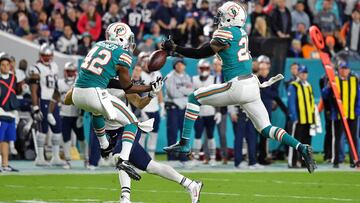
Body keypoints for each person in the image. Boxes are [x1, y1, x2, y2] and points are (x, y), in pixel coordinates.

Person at [162, 1, 316, 173]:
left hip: (237, 86)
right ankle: (301, 147)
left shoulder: (225, 33)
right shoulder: (241, 32)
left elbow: (200, 53)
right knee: (266, 128)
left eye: (222, 15)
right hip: (252, 85)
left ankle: (184, 143)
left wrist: (175, 48)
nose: (219, 18)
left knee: (194, 97)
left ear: (230, 17)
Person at [70, 22, 162, 180]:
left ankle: (105, 146)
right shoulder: (122, 57)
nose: (129, 43)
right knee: (133, 122)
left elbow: (137, 101)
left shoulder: (98, 45)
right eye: (128, 39)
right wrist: (149, 88)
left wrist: (151, 94)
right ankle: (123, 160)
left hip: (78, 92)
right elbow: (127, 86)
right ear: (121, 38)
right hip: (96, 95)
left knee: (96, 113)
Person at [94, 84, 202, 203]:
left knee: (119, 157)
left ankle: (125, 198)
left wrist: (151, 95)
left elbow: (139, 103)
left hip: (128, 129)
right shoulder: (92, 86)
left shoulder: (120, 84)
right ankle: (191, 184)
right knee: (151, 167)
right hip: (112, 134)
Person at [28, 44, 64, 167]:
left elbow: (56, 87)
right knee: (42, 129)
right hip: (42, 100)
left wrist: (57, 100)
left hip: (53, 101)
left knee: (57, 129)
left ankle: (55, 157)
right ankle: (40, 157)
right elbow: (33, 90)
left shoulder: (54, 66)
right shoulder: (35, 68)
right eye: (44, 56)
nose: (47, 58)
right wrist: (35, 107)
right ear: (40, 55)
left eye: (49, 56)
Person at [321, 61, 359, 168]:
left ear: (349, 70)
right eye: (342, 68)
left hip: (352, 114)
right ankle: (336, 161)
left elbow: (358, 96)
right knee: (337, 138)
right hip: (338, 115)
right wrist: (328, 87)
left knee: (353, 138)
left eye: (346, 68)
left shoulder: (354, 80)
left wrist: (357, 111)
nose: (344, 70)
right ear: (339, 69)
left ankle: (354, 160)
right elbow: (324, 95)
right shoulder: (333, 80)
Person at [51, 62, 88, 169]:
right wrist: (49, 112)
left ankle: (86, 159)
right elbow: (55, 97)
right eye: (68, 71)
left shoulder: (79, 82)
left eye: (72, 71)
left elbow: (84, 100)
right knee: (66, 138)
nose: (70, 74)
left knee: (81, 138)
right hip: (64, 114)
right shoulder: (59, 83)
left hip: (76, 115)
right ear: (65, 72)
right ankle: (67, 160)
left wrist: (82, 115)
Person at [191, 59, 220, 166]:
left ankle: (212, 158)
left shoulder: (214, 79)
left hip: (211, 112)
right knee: (198, 136)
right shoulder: (194, 80)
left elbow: (218, 97)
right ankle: (196, 157)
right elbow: (192, 98)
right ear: (198, 69)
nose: (204, 70)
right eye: (202, 68)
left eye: (206, 68)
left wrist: (218, 111)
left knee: (211, 135)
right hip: (198, 113)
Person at [164, 58, 193, 161]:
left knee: (184, 135)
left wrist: (180, 90)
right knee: (172, 133)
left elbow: (191, 91)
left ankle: (183, 158)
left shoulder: (187, 76)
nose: (180, 66)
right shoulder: (169, 76)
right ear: (174, 65)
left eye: (182, 64)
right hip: (173, 107)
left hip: (184, 108)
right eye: (178, 64)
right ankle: (171, 158)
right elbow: (173, 93)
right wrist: (185, 91)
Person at [137, 52, 165, 160]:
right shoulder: (138, 74)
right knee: (142, 135)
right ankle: (140, 158)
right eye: (143, 60)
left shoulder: (157, 73)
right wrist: (140, 109)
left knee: (154, 133)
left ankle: (151, 157)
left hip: (154, 108)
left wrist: (162, 105)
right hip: (144, 107)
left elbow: (159, 91)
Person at [287, 65, 315, 168]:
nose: (303, 75)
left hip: (308, 119)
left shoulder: (308, 86)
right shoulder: (293, 85)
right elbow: (291, 103)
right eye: (302, 72)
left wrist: (313, 117)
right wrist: (294, 117)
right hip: (298, 119)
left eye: (305, 73)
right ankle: (292, 162)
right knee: (295, 141)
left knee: (307, 142)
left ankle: (305, 162)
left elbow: (311, 102)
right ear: (298, 73)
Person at [0, 53, 19, 172]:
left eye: (7, 64)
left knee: (7, 139)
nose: (5, 67)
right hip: (1, 112)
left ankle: (5, 164)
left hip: (11, 113)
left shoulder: (14, 78)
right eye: (2, 65)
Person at [212, 57, 228, 164]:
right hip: (209, 109)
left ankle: (224, 156)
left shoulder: (226, 77)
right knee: (207, 134)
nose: (217, 66)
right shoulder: (209, 77)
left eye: (219, 64)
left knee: (222, 134)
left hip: (222, 109)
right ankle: (207, 157)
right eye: (215, 64)